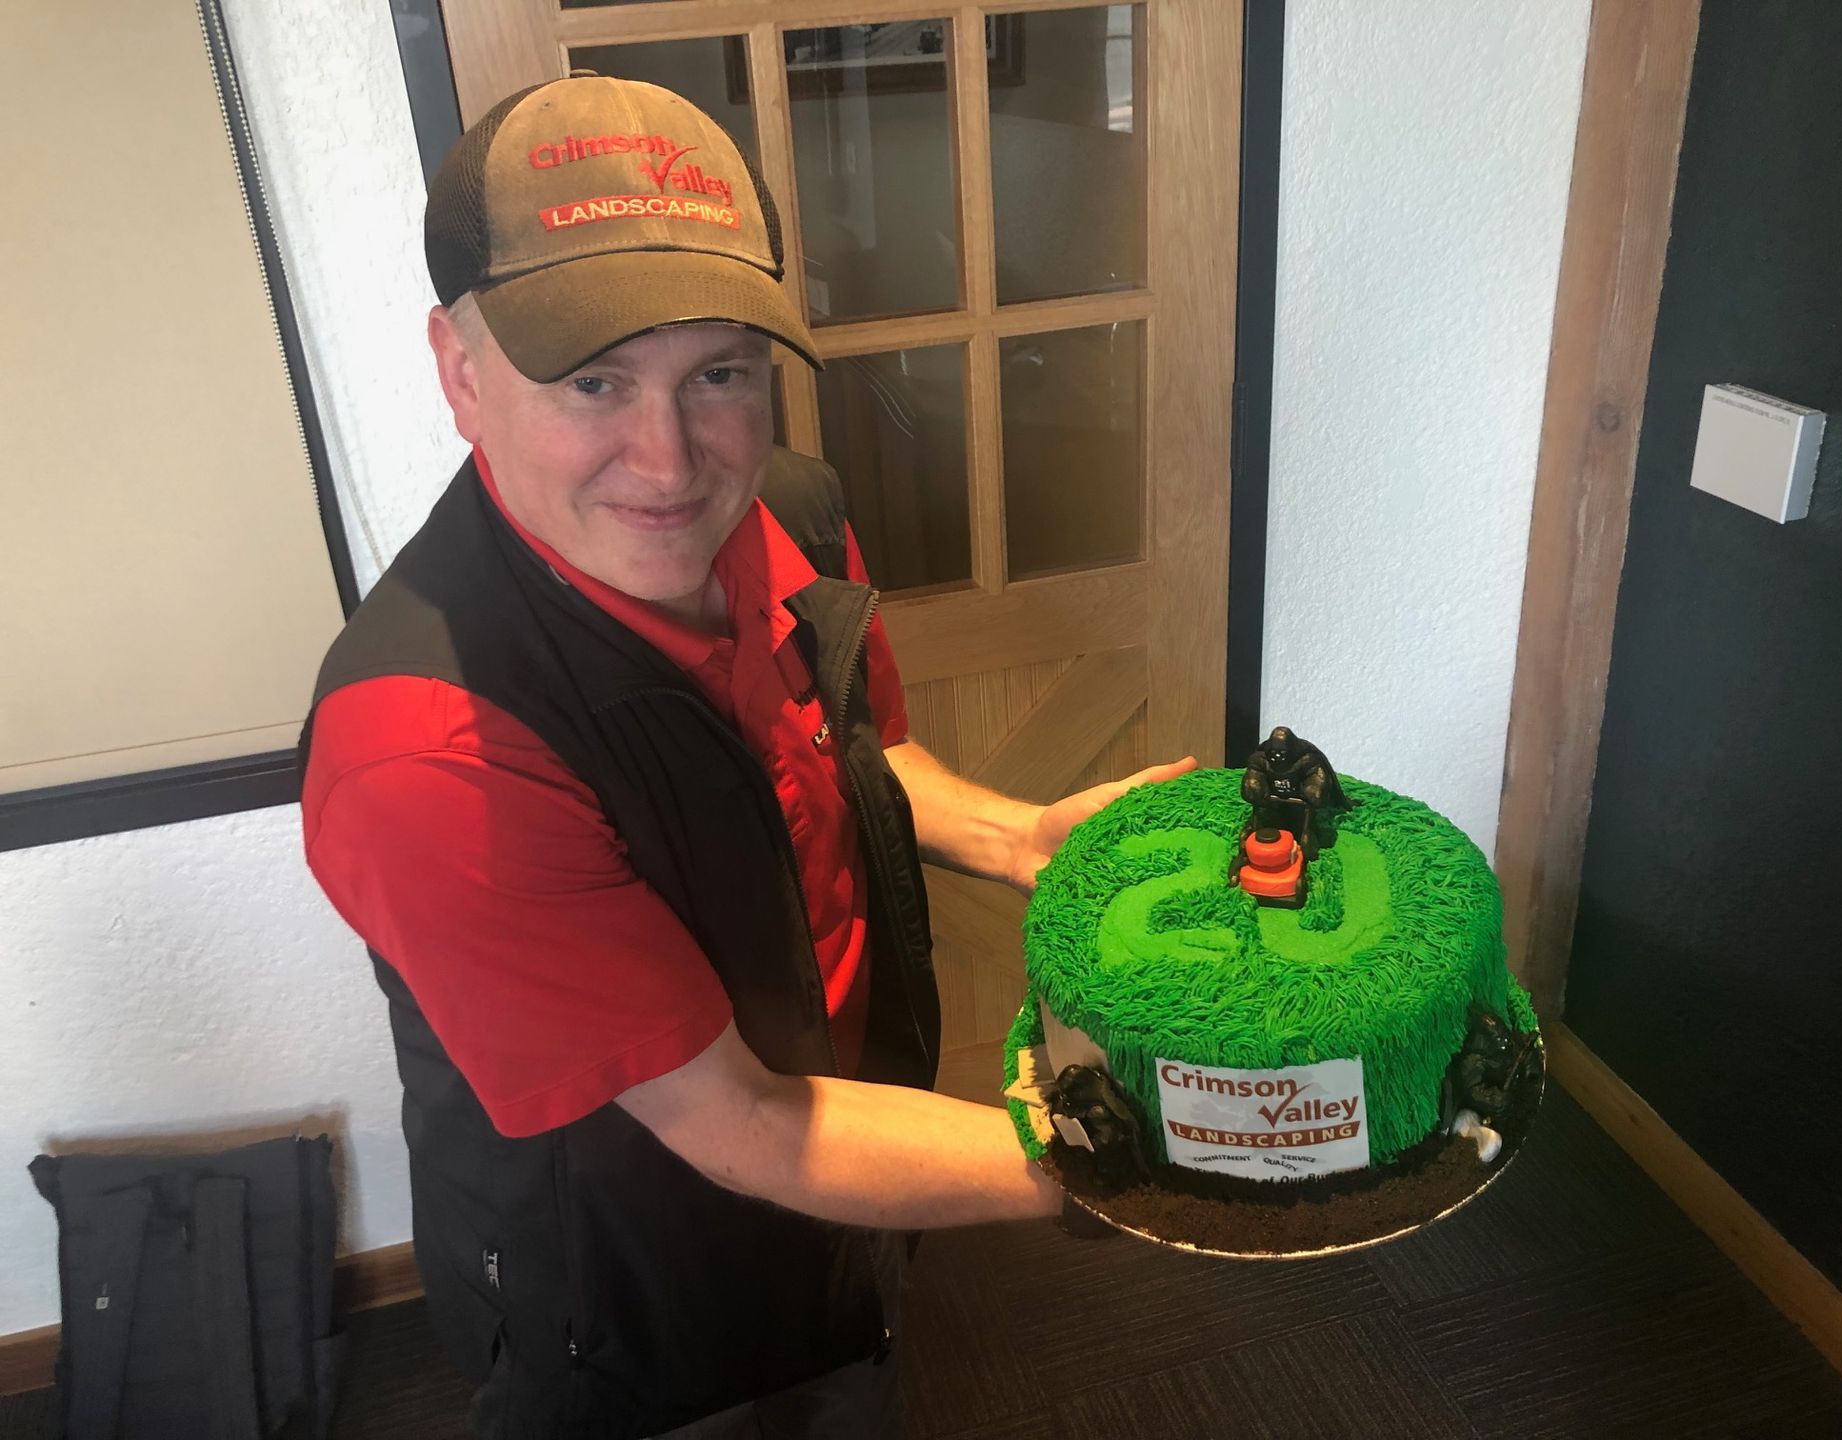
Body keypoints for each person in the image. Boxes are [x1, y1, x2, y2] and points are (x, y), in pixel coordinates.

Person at [299, 75, 1192, 1438]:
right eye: (592, 382)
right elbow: (744, 1127)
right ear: (459, 373)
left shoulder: (788, 511)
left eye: (718, 374)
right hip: (640, 1290)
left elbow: (863, 754)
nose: (668, 462)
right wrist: (1112, 1158)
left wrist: (1023, 838)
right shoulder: (424, 748)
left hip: (852, 1147)